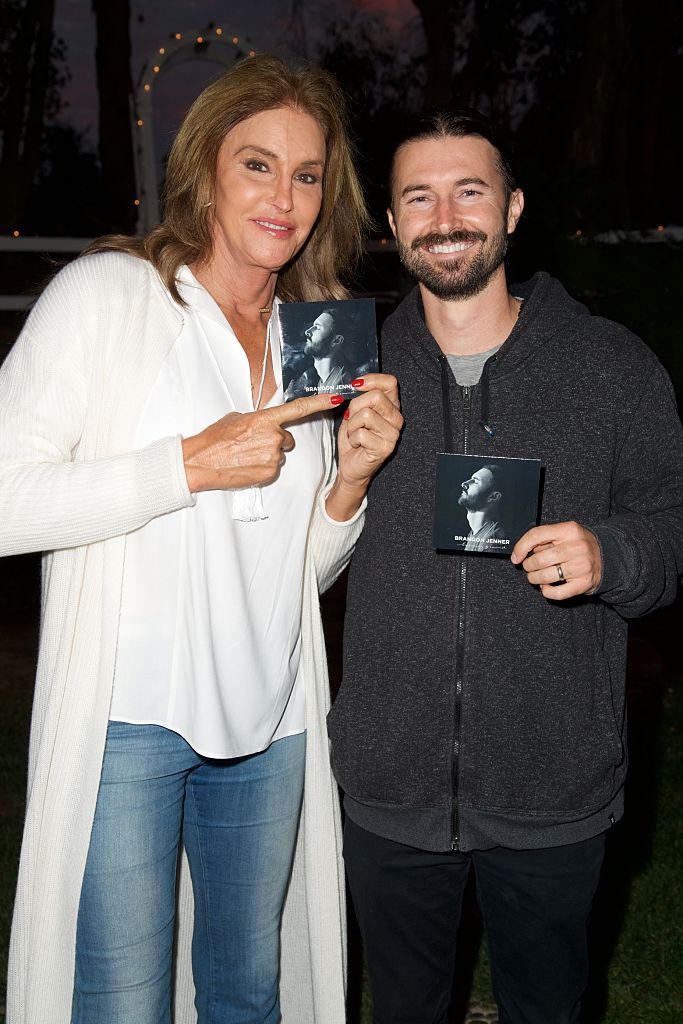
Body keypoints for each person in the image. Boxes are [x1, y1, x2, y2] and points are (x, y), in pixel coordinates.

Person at [0, 55, 402, 1024]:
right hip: (131, 722)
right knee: (123, 1002)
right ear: (204, 169)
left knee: (246, 994)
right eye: (257, 164)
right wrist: (181, 464)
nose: (285, 196)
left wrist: (347, 482)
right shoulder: (111, 295)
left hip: (268, 723)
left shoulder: (313, 338)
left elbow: (290, 570)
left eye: (307, 174)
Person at [328, 109, 683, 1024]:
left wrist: (615, 553)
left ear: (513, 208)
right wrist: (344, 476)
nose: (444, 214)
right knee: (403, 1008)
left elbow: (672, 522)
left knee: (546, 1008)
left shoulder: (610, 367)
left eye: (468, 190)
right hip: (388, 782)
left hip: (551, 782)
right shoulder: (344, 372)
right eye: (418, 196)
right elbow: (280, 556)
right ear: (394, 224)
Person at [284, 307, 377, 399]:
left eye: (318, 328)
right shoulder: (324, 382)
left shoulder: (341, 388)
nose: (307, 332)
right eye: (313, 325)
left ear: (336, 341)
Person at [458, 463, 507, 551]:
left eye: (476, 481)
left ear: (493, 497)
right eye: (470, 479)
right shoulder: (474, 533)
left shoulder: (490, 541)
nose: (464, 484)